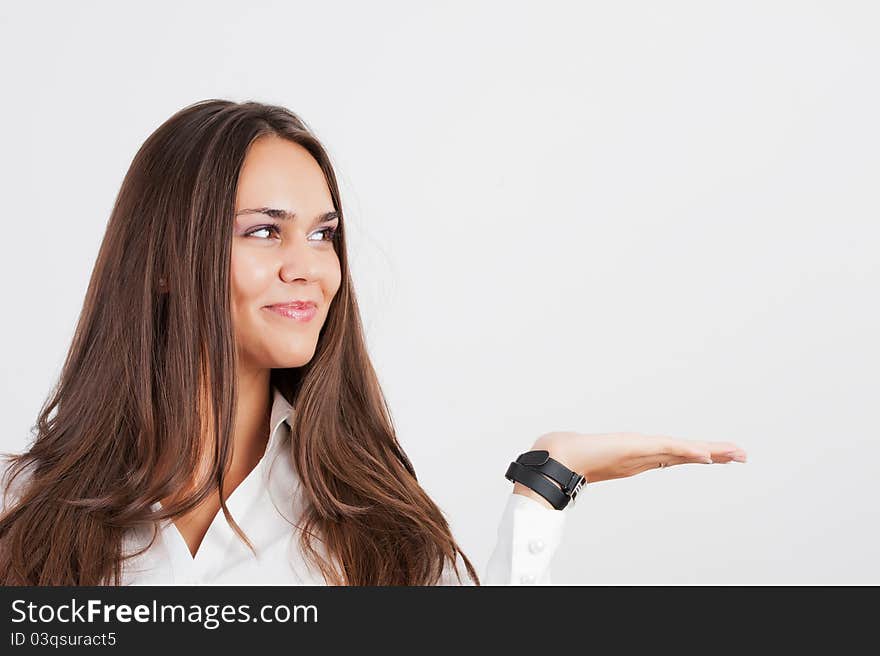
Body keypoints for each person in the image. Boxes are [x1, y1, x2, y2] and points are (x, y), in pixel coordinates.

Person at [0, 100, 747, 586]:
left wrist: (544, 487)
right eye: (264, 231)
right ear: (163, 262)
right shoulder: (23, 512)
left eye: (323, 235)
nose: (310, 268)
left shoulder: (366, 521)